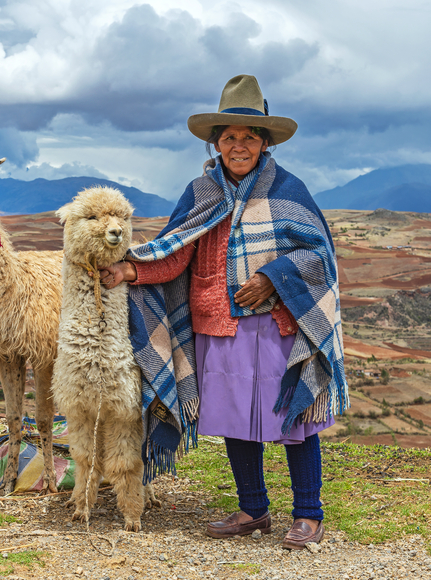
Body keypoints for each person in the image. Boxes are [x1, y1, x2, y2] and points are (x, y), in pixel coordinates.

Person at [100, 75, 348, 549]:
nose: (239, 145)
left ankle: (309, 513)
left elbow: (319, 255)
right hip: (220, 324)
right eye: (230, 136)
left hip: (280, 326)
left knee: (294, 417)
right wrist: (131, 273)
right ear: (216, 143)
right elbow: (176, 251)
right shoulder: (201, 192)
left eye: (249, 137)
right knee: (237, 419)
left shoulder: (289, 191)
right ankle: (253, 509)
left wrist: (272, 276)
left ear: (265, 142)